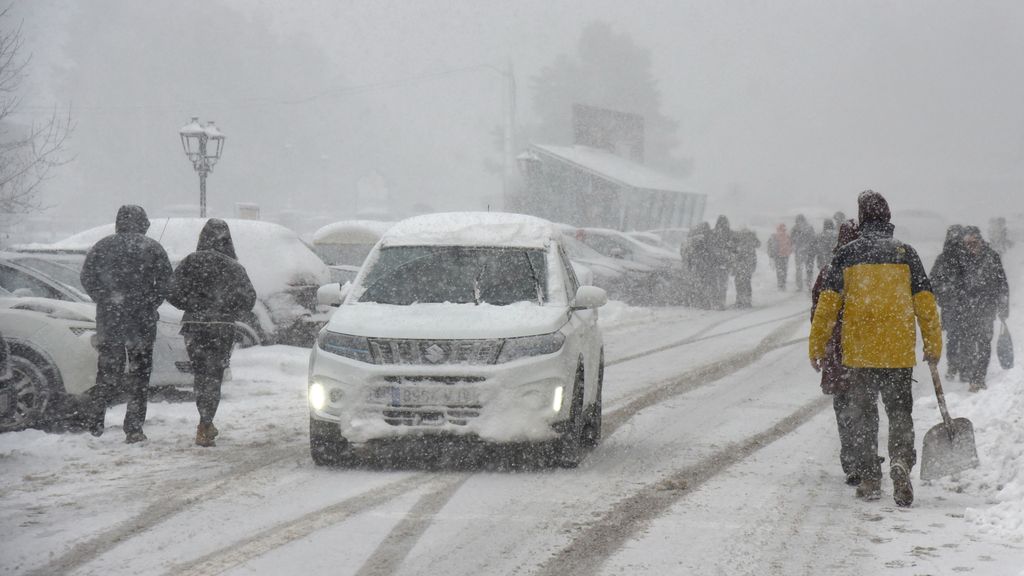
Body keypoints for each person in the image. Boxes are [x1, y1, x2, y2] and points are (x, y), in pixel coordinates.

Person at [809, 190, 942, 507]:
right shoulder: (906, 254)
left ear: (863, 217)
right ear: (888, 217)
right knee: (899, 413)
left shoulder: (846, 255)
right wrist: (933, 344)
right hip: (897, 352)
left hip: (860, 352)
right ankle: (900, 461)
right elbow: (925, 304)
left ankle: (869, 477)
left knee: (864, 417)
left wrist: (817, 344)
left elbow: (827, 308)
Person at [80, 205, 173, 443]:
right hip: (141, 322)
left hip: (110, 319)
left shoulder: (102, 246)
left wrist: (105, 298)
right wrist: (150, 302)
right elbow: (165, 283)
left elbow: (87, 278)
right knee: (140, 376)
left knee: (107, 371)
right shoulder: (152, 248)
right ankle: (133, 427)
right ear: (143, 223)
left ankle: (95, 422)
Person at [169, 219, 256, 446]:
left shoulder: (189, 262)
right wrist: (227, 308)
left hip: (194, 326)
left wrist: (193, 304)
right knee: (214, 375)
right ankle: (206, 422)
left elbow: (172, 291)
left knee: (201, 375)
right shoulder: (234, 267)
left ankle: (205, 421)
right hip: (222, 327)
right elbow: (249, 300)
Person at [810, 220, 864, 485]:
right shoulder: (867, 270)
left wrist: (821, 344)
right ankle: (864, 456)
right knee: (865, 406)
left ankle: (852, 459)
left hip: (838, 352)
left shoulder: (829, 270)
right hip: (865, 349)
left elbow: (817, 311)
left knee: (843, 406)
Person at [955, 226, 1009, 392]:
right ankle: (971, 375)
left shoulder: (992, 257)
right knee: (968, 343)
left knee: (984, 343)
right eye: (968, 243)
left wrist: (1003, 307)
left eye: (974, 242)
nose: (971, 246)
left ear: (980, 240)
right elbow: (956, 284)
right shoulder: (961, 259)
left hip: (987, 308)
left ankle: (978, 378)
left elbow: (1002, 283)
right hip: (967, 309)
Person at [929, 225, 968, 381]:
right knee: (964, 336)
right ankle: (962, 367)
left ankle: (953, 366)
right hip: (963, 304)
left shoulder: (942, 258)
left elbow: (933, 281)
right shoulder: (966, 256)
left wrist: (942, 295)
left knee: (954, 337)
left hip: (950, 304)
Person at [708, 215, 734, 309]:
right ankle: (722, 302)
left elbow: (709, 247)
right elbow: (732, 248)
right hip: (724, 263)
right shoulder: (729, 233)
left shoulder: (712, 232)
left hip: (714, 262)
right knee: (723, 284)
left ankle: (714, 303)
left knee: (714, 283)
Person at [731, 229, 760, 308]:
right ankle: (746, 301)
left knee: (739, 283)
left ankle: (740, 301)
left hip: (741, 266)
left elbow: (737, 255)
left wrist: (735, 265)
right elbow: (757, 247)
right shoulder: (750, 242)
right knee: (746, 283)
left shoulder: (741, 243)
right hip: (747, 267)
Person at [790, 214, 816, 291]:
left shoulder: (795, 228)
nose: (799, 222)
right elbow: (813, 239)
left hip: (802, 251)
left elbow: (792, 239)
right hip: (805, 251)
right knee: (805, 269)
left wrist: (798, 245)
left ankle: (804, 286)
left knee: (802, 269)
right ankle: (806, 285)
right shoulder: (809, 228)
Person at [766, 224, 792, 290]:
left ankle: (781, 283)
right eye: (782, 229)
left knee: (781, 270)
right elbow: (790, 244)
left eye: (783, 229)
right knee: (782, 270)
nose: (782, 231)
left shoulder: (775, 236)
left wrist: (771, 253)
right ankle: (782, 283)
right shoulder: (778, 236)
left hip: (781, 255)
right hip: (782, 255)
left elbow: (769, 245)